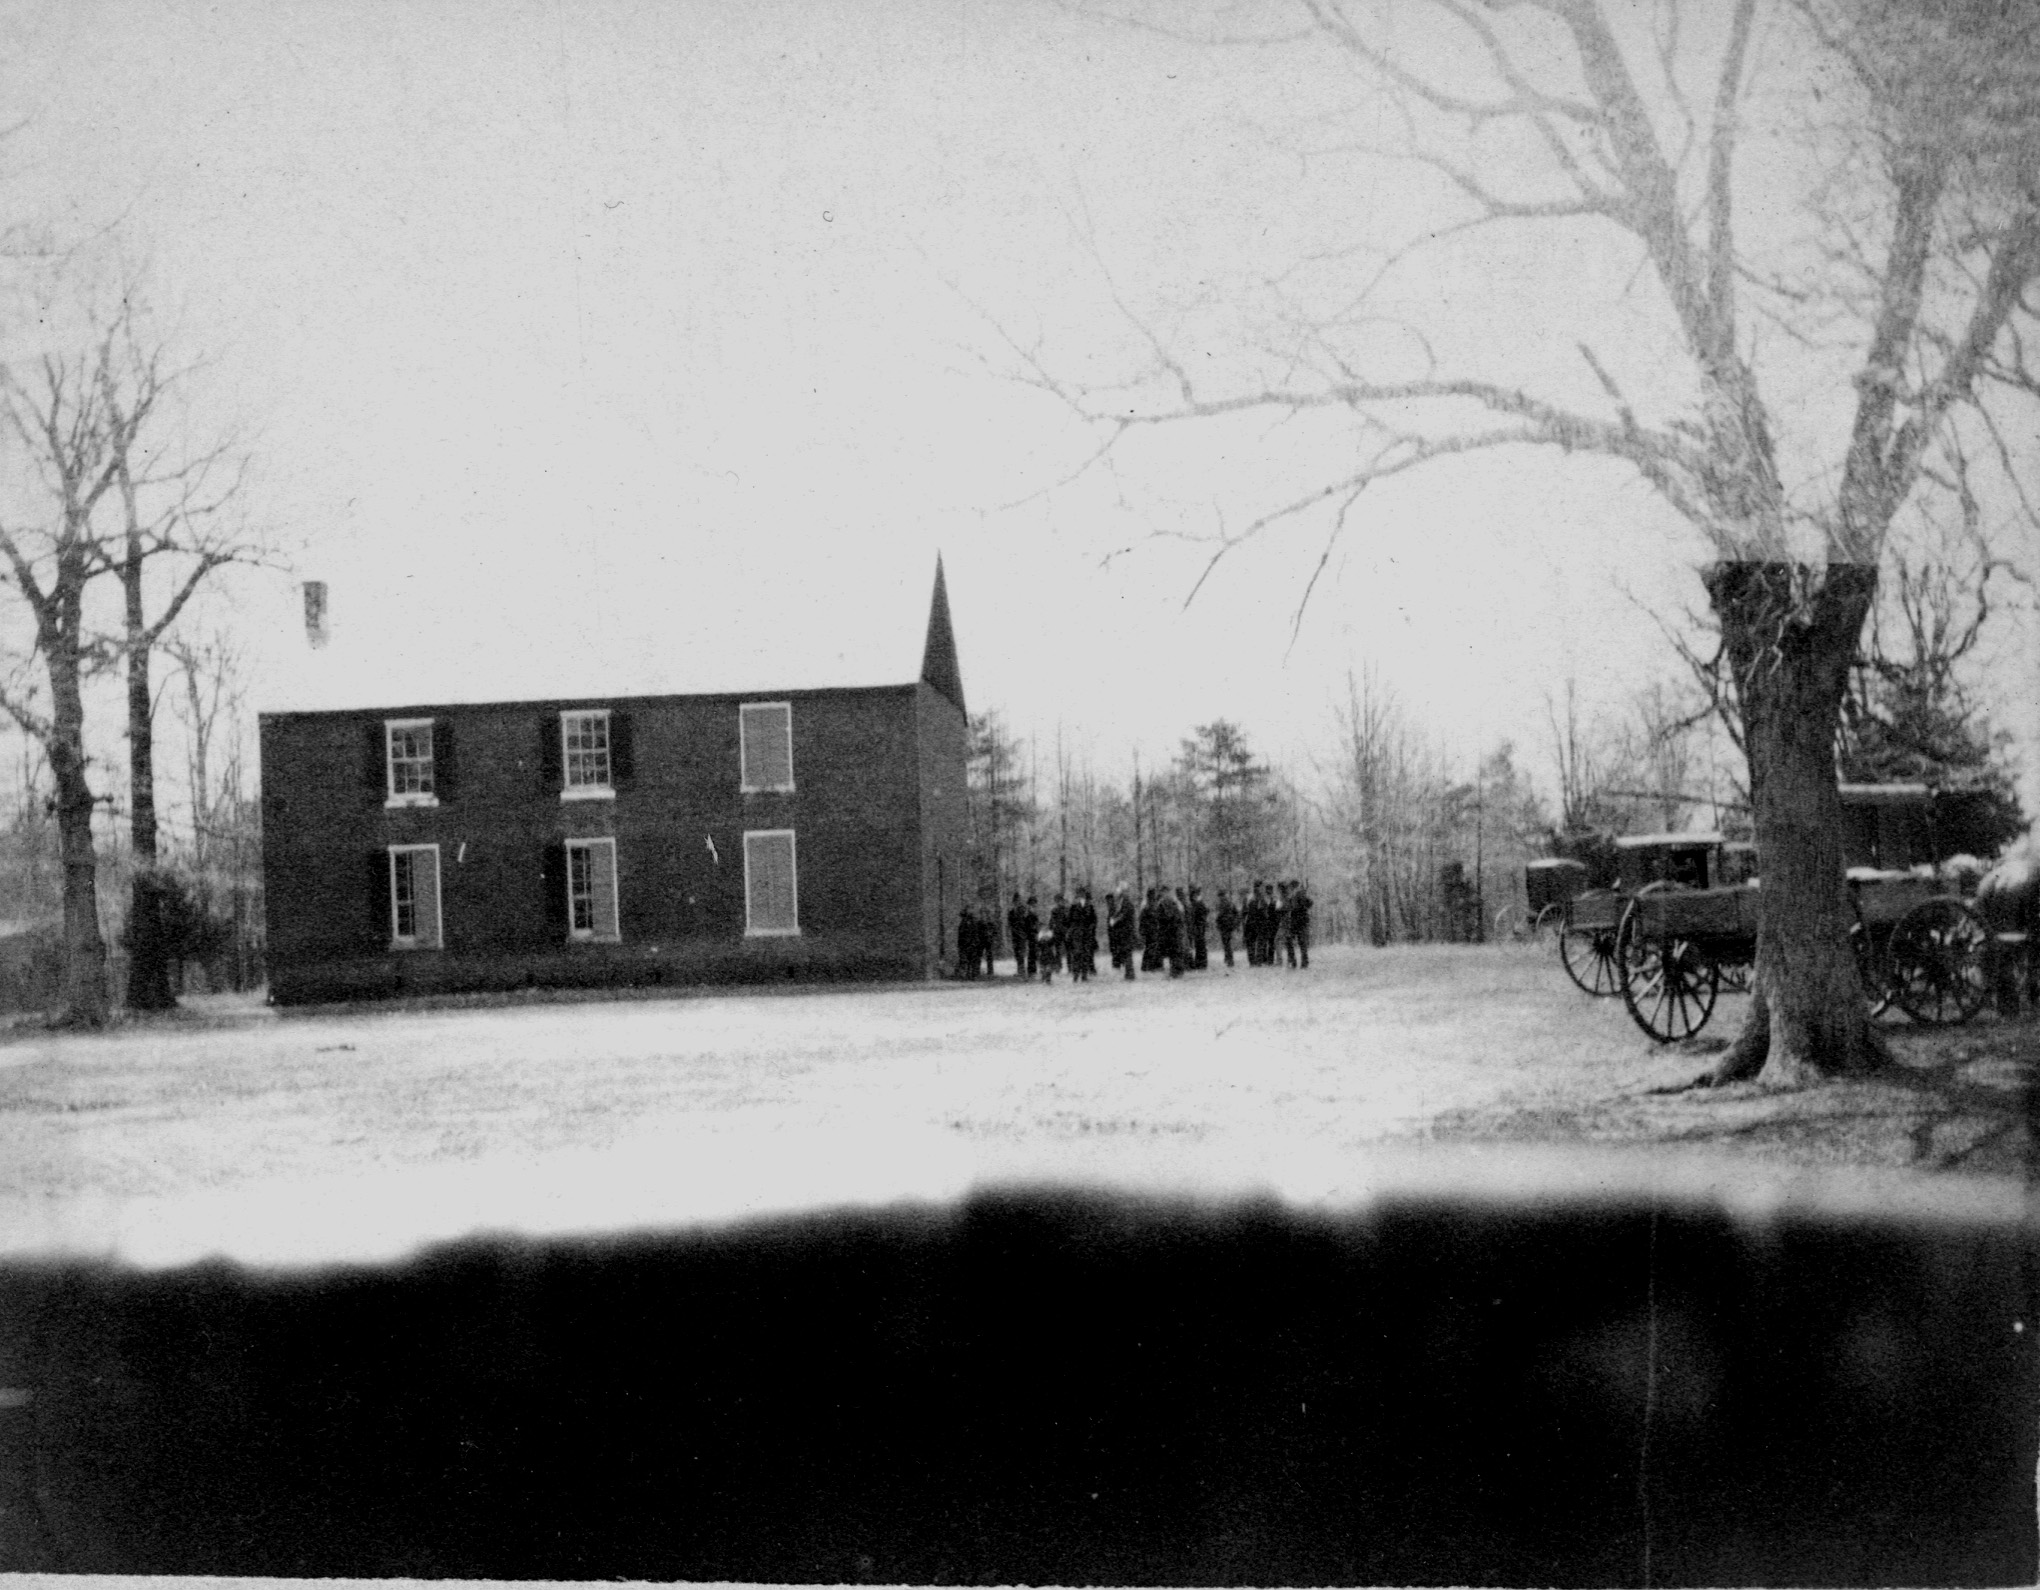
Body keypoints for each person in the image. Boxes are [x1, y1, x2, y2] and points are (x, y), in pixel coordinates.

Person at [1068, 888, 1099, 982]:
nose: (1081, 895)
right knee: (1077, 954)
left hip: (1087, 934)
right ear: (1077, 895)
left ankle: (1084, 975)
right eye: (1079, 893)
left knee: (1086, 954)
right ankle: (1075, 975)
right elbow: (1069, 920)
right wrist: (1073, 930)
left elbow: (1094, 920)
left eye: (1083, 893)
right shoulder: (1073, 906)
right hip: (1077, 934)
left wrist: (1091, 928)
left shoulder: (1090, 906)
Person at [1108, 889, 1138, 980]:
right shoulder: (1122, 903)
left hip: (1127, 932)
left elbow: (1123, 915)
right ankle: (1128, 973)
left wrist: (1114, 920)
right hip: (1124, 933)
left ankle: (1130, 974)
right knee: (1126, 952)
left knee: (1127, 952)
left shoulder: (1126, 903)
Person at [1158, 885, 1186, 978]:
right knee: (1174, 951)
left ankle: (1176, 971)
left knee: (1175, 951)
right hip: (1173, 929)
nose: (1163, 894)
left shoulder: (1169, 902)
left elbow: (1169, 915)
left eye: (1164, 892)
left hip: (1172, 929)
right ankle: (1176, 971)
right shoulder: (1173, 901)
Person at [1288, 880, 1313, 969]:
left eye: (1291, 887)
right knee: (1300, 942)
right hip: (1298, 921)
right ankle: (1299, 962)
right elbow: (1310, 903)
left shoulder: (1299, 894)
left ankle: (1298, 962)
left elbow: (1309, 903)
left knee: (1300, 942)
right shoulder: (1295, 895)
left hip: (1299, 921)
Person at [1006, 893, 1030, 980]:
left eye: (1019, 900)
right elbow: (1010, 923)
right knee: (1017, 952)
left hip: (1022, 934)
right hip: (1015, 934)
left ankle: (1023, 971)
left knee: (1021, 953)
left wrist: (1025, 933)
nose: (1017, 902)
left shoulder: (1023, 910)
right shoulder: (1011, 912)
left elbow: (1026, 922)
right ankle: (1020, 970)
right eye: (1016, 901)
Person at [1139, 887, 1162, 972]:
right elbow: (1143, 919)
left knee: (1152, 948)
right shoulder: (1147, 906)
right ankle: (1149, 966)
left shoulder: (1152, 904)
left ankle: (1150, 966)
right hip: (1150, 930)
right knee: (1150, 948)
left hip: (1153, 930)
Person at [1215, 889, 1240, 968]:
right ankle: (1228, 958)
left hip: (1225, 925)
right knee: (1227, 942)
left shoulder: (1223, 903)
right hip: (1229, 925)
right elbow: (1236, 913)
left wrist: (1217, 921)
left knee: (1226, 943)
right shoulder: (1230, 902)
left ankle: (1229, 960)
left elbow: (1220, 915)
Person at [1188, 885, 1210, 971]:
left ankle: (1201, 963)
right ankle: (1200, 963)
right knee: (1199, 944)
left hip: (1199, 926)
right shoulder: (1198, 902)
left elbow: (1201, 913)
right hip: (1199, 926)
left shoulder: (1198, 903)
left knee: (1200, 944)